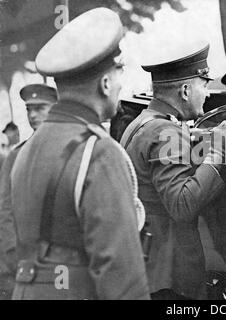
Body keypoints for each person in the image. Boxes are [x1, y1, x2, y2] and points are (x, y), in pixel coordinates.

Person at [9, 8, 150, 300]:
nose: (121, 86)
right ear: (106, 83)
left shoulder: (26, 150)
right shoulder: (99, 151)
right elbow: (121, 275)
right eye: (119, 74)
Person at [120, 44, 226, 300]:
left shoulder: (141, 123)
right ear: (185, 90)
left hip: (147, 264)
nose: (207, 94)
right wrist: (217, 151)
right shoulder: (165, 132)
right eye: (204, 85)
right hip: (169, 277)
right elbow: (182, 205)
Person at [0, 84, 57, 299]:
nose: (32, 115)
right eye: (28, 109)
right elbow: (5, 211)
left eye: (40, 108)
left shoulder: (72, 151)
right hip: (26, 261)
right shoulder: (17, 156)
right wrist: (14, 259)